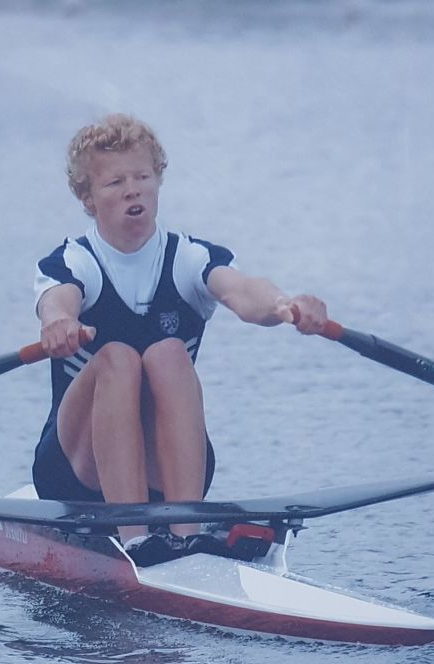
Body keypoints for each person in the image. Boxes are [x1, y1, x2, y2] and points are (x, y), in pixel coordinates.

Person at [32, 114, 328, 566]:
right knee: (117, 358)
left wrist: (284, 304)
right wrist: (59, 322)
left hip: (169, 473)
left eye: (142, 177)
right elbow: (58, 302)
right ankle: (135, 540)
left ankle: (186, 536)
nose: (133, 190)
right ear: (87, 198)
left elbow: (243, 291)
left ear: (157, 181)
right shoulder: (73, 262)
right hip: (76, 474)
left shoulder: (190, 258)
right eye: (115, 182)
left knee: (169, 354)